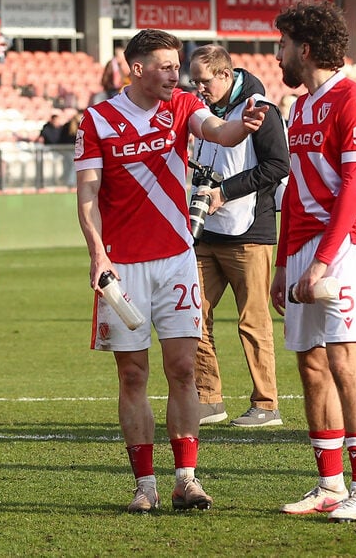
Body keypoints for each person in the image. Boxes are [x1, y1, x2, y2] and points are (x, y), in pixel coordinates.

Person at [74, 28, 268, 514]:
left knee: (183, 368)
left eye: (176, 66)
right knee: (132, 375)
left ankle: (186, 479)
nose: (174, 75)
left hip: (177, 257)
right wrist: (97, 253)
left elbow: (218, 132)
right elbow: (88, 194)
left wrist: (244, 126)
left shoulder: (181, 105)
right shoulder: (98, 120)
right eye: (165, 66)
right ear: (137, 69)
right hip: (123, 265)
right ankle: (145, 486)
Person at [270, 1, 356, 522]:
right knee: (311, 365)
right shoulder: (299, 109)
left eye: (283, 45)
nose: (278, 56)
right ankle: (330, 486)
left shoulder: (354, 101)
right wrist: (282, 265)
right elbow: (294, 193)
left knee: (343, 363)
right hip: (302, 252)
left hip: (346, 250)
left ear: (306, 48)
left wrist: (322, 261)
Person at [187, 44, 289, 428]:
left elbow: (278, 165)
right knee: (192, 314)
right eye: (194, 82)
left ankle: (266, 404)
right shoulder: (205, 111)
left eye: (204, 81)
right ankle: (208, 399)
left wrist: (225, 192)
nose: (199, 88)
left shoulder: (262, 109)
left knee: (253, 320)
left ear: (225, 75)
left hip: (249, 233)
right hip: (205, 232)